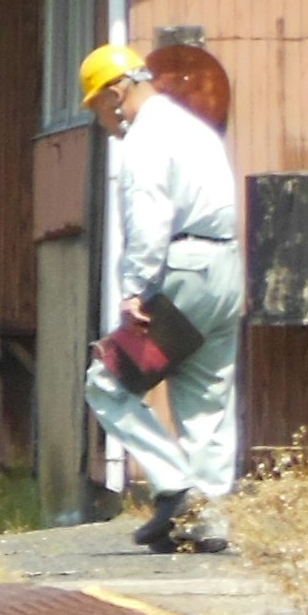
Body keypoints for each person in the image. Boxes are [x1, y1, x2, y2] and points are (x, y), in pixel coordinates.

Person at [79, 41, 243, 552]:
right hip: (226, 269)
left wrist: (135, 290)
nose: (102, 119)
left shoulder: (146, 139)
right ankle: (209, 519)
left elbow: (149, 218)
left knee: (107, 382)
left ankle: (177, 490)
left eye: (96, 108)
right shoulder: (193, 127)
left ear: (113, 93)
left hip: (181, 272)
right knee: (207, 397)